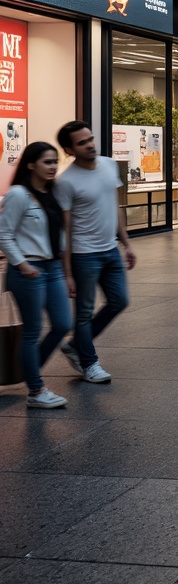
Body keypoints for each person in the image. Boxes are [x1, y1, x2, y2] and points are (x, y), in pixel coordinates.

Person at [54, 120, 136, 384]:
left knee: (119, 301)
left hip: (110, 249)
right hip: (83, 255)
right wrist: (67, 273)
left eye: (90, 139)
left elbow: (114, 207)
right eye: (82, 142)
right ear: (69, 150)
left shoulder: (109, 165)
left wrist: (126, 243)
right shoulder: (65, 182)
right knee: (84, 312)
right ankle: (89, 363)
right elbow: (64, 230)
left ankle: (76, 343)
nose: (90, 145)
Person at [0, 142, 74, 408]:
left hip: (53, 268)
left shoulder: (54, 193)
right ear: (31, 164)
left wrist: (66, 273)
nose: (53, 166)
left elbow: (61, 236)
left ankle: (28, 370)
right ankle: (35, 390)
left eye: (55, 161)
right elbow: (3, 233)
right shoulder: (19, 194)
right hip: (29, 270)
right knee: (32, 332)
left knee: (63, 324)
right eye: (47, 161)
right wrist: (21, 265)